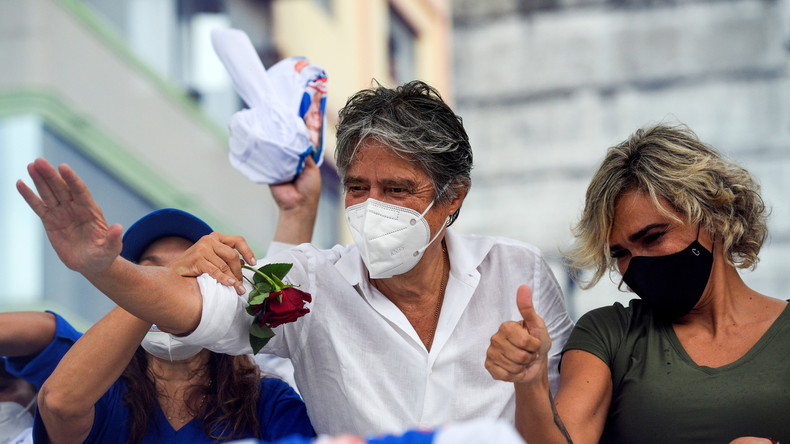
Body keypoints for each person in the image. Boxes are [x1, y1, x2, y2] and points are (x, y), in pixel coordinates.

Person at [16, 80, 575, 436]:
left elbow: (559, 428)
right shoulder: (306, 286)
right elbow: (195, 306)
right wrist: (103, 268)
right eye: (357, 188)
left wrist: (526, 379)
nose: (372, 208)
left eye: (397, 190)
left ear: (453, 197)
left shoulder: (518, 273)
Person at [484, 123, 789, 443]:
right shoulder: (610, 334)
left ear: (713, 216)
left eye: (653, 237)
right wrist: (531, 382)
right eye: (620, 253)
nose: (638, 264)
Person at [2, 209, 314, 444]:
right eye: (149, 273)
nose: (167, 284)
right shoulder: (101, 388)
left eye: (191, 275)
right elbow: (59, 404)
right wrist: (166, 283)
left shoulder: (266, 400)